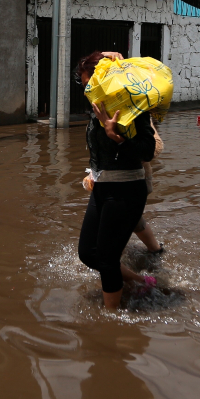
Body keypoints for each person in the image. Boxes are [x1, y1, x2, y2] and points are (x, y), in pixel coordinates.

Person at [76, 51, 157, 310]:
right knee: (88, 253)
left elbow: (147, 150)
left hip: (127, 189)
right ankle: (142, 282)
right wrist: (93, 172)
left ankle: (111, 319)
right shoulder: (97, 105)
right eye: (85, 85)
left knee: (107, 257)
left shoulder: (131, 106)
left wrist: (117, 136)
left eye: (90, 83)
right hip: (103, 187)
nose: (87, 89)